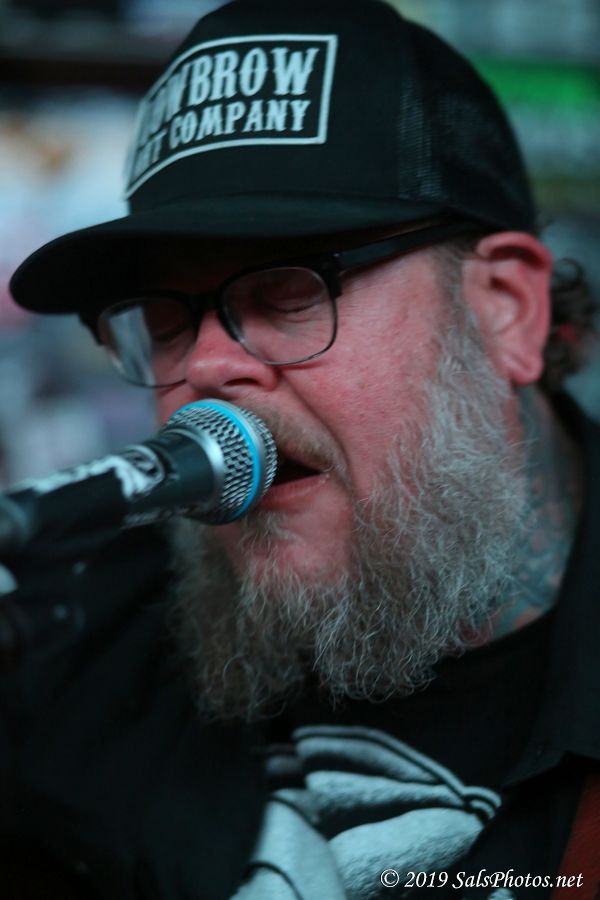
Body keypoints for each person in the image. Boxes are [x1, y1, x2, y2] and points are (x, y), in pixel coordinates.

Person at [2, 0, 599, 897]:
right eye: (163, 320)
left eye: (289, 292)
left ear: (505, 311)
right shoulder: (77, 653)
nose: (205, 363)